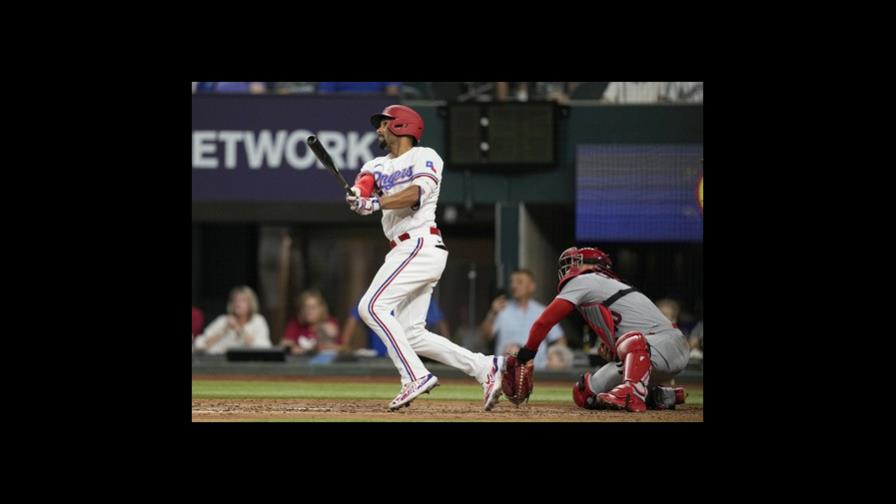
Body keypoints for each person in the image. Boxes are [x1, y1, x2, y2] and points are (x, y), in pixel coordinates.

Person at [345, 104, 505, 411]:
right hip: (405, 250)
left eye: (384, 123)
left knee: (371, 307)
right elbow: (365, 184)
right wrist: (358, 195)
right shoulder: (376, 164)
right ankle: (485, 367)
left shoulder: (426, 156)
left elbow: (416, 194)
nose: (379, 128)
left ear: (401, 126)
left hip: (418, 244)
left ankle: (414, 376)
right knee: (412, 334)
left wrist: (375, 203)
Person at [510, 247, 688, 412]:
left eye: (581, 261)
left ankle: (632, 394)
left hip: (668, 344)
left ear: (596, 267)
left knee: (631, 341)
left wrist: (527, 353)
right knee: (585, 393)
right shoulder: (604, 289)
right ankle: (662, 396)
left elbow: (544, 321)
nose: (575, 266)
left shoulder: (586, 280)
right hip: (654, 353)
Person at [480, 269, 566, 370]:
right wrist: (492, 313)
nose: (514, 286)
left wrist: (555, 355)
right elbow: (485, 337)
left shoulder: (543, 311)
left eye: (519, 282)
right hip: (507, 371)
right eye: (512, 282)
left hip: (537, 372)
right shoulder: (501, 309)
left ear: (531, 287)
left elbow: (560, 340)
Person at [341, 296, 450, 357]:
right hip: (381, 353)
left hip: (412, 352)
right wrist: (345, 344)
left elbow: (440, 322)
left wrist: (446, 347)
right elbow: (353, 319)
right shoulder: (377, 293)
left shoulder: (419, 295)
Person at [193, 286, 271, 354]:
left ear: (251, 304)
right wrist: (223, 331)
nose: (238, 304)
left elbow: (263, 348)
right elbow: (199, 345)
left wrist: (240, 330)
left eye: (243, 301)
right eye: (235, 300)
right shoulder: (223, 320)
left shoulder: (258, 321)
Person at [281, 290, 341, 355]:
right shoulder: (295, 324)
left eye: (313, 308)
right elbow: (285, 345)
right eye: (305, 307)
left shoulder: (330, 323)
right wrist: (292, 348)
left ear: (321, 309)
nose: (308, 311)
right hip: (299, 363)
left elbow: (341, 348)